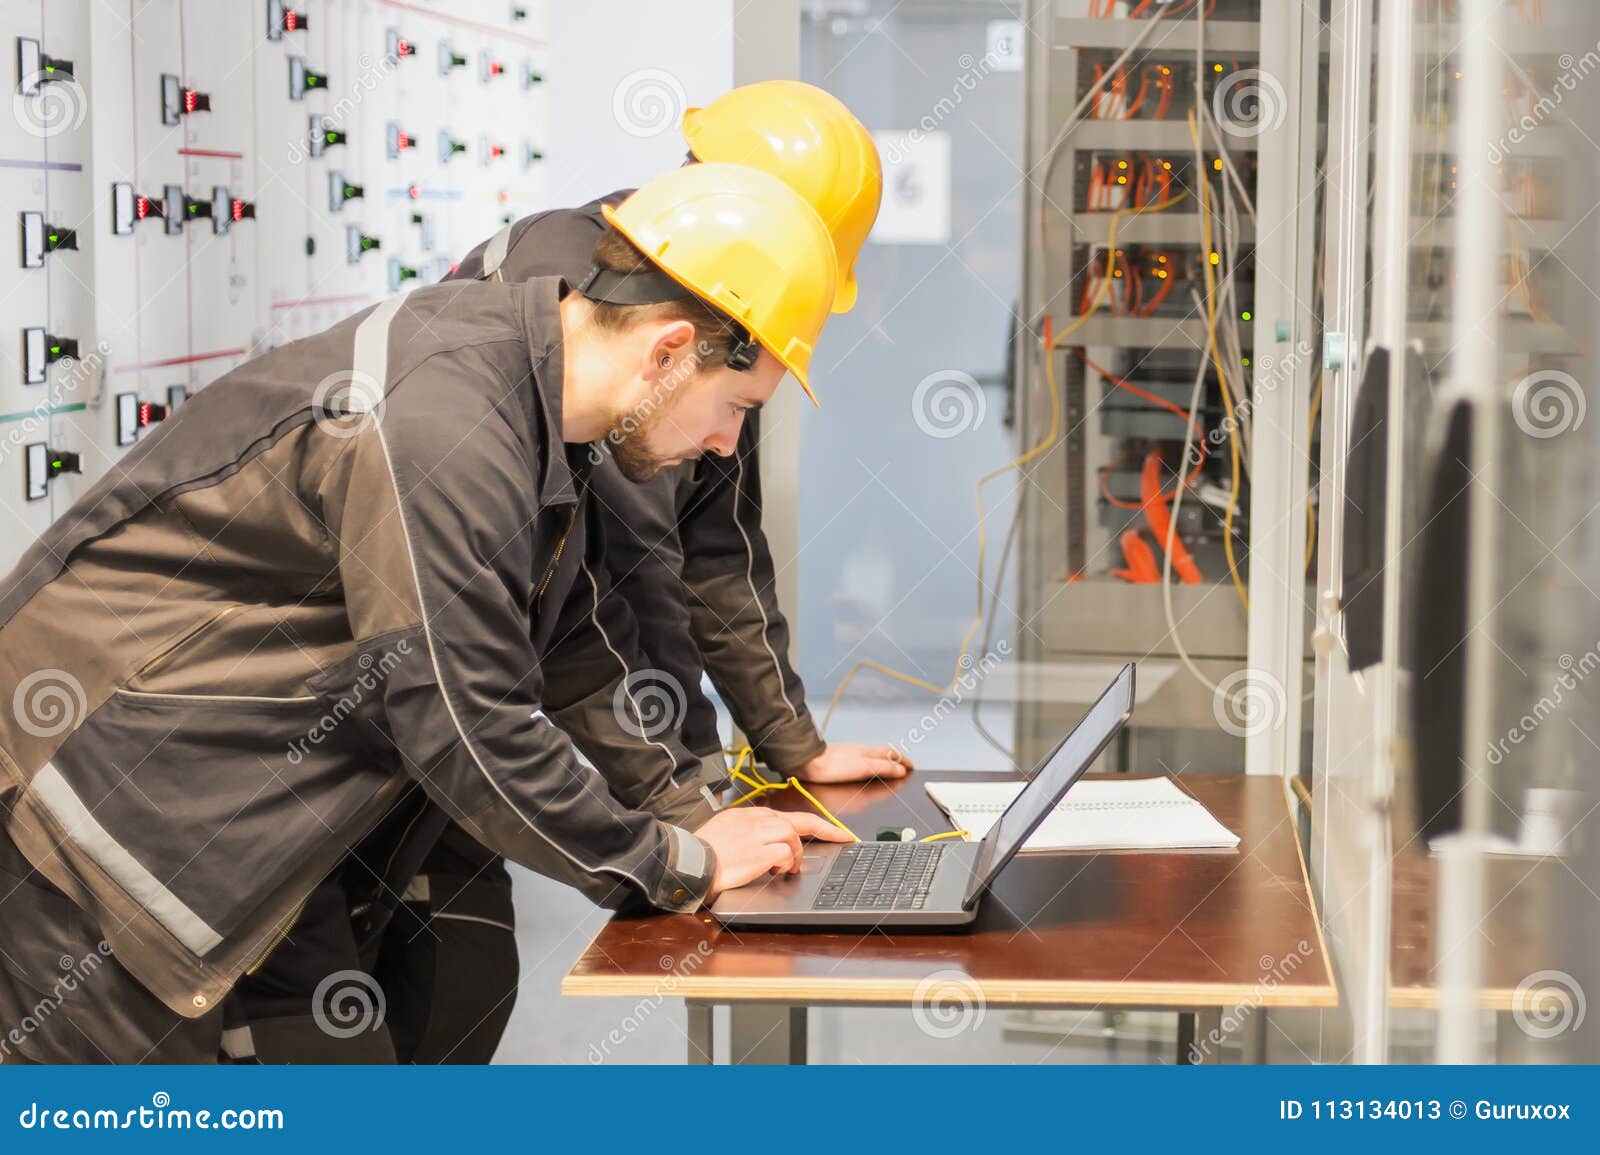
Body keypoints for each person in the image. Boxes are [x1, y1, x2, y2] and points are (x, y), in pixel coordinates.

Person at [0, 163, 850, 1064]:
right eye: (734, 409)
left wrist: (691, 810)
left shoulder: (534, 403)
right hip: (93, 812)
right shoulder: (447, 421)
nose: (724, 445)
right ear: (668, 350)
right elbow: (465, 723)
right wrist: (677, 863)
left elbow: (571, 641)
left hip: (241, 803)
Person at [225, 81, 913, 1064]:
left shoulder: (721, 341)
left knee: (455, 992)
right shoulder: (599, 304)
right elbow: (628, 580)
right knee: (341, 1028)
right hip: (340, 732)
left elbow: (709, 559)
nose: (724, 441)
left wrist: (784, 747)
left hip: (447, 709)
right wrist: (694, 820)